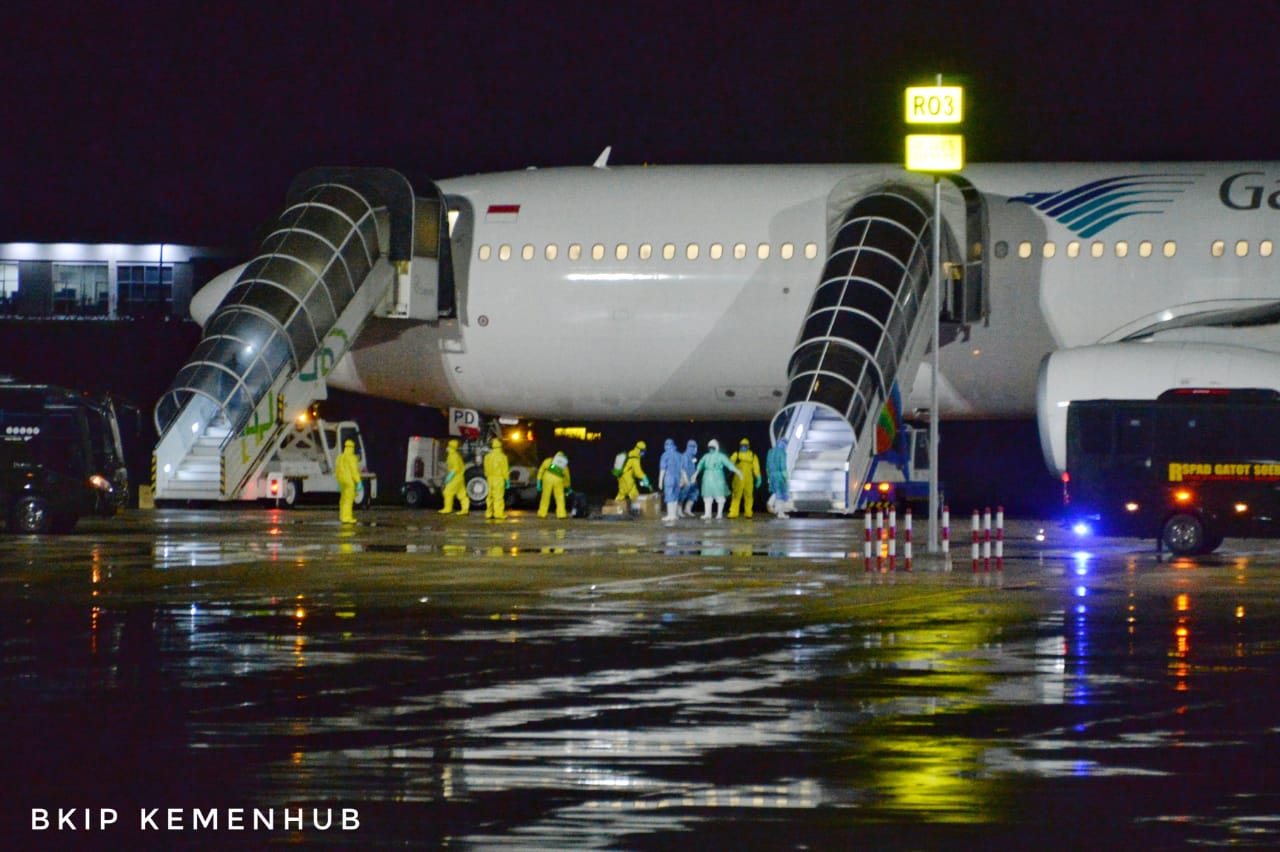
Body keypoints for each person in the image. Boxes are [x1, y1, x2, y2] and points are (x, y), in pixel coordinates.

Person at [694, 439, 740, 519]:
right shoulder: (706, 456)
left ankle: (719, 514)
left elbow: (728, 464)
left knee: (720, 496)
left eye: (713, 447)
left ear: (717, 447)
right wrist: (695, 474)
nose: (711, 448)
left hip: (718, 477)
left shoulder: (721, 456)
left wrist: (737, 471)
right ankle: (707, 514)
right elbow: (700, 465)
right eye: (710, 447)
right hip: (707, 477)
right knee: (707, 497)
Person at [727, 438, 762, 519]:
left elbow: (756, 467)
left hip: (748, 479)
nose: (743, 447)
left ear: (748, 446)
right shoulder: (736, 454)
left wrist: (758, 477)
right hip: (738, 478)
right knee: (736, 495)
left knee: (749, 496)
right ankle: (733, 512)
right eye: (742, 445)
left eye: (745, 446)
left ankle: (748, 512)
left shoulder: (753, 455)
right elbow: (730, 463)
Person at [438, 438, 470, 515]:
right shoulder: (455, 455)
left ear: (451, 447)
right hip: (459, 477)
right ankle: (465, 510)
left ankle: (448, 508)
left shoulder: (453, 456)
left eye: (448, 446)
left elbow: (455, 468)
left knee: (447, 492)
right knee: (461, 494)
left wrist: (449, 477)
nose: (447, 447)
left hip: (455, 478)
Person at [657, 438, 687, 521]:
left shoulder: (665, 455)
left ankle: (670, 515)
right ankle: (675, 515)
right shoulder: (679, 455)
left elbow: (662, 469)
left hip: (669, 478)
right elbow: (682, 469)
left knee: (669, 496)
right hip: (677, 478)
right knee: (675, 496)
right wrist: (684, 480)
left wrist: (660, 482)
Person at [537, 451, 572, 518]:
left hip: (547, 478)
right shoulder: (564, 465)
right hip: (558, 479)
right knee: (560, 497)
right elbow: (566, 477)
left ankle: (542, 513)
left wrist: (539, 481)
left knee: (545, 496)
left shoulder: (548, 461)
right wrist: (568, 487)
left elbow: (541, 470)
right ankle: (561, 514)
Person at [335, 439, 362, 524]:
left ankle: (342, 516)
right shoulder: (352, 458)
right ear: (352, 447)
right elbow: (354, 471)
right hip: (349, 482)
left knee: (342, 500)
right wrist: (359, 482)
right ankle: (347, 517)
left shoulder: (340, 457)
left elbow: (337, 470)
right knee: (348, 500)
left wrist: (338, 481)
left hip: (341, 481)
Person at [483, 437, 510, 520]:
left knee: (490, 497)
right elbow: (505, 469)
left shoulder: (487, 456)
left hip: (490, 478)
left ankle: (489, 513)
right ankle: (498, 513)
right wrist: (507, 480)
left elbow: (485, 468)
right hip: (499, 479)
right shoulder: (502, 457)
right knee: (498, 497)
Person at [766, 437, 792, 518]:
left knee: (776, 492)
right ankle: (779, 511)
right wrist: (786, 478)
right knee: (781, 493)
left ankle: (773, 506)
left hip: (772, 475)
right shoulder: (782, 452)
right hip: (779, 475)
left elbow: (767, 466)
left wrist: (769, 477)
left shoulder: (771, 451)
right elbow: (782, 466)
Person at [679, 439, 700, 516]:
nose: (696, 449)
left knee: (694, 493)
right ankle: (679, 510)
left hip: (692, 479)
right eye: (694, 447)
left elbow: (693, 468)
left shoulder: (693, 457)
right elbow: (682, 469)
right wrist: (685, 479)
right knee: (682, 495)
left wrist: (694, 478)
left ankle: (687, 509)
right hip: (686, 479)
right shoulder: (684, 456)